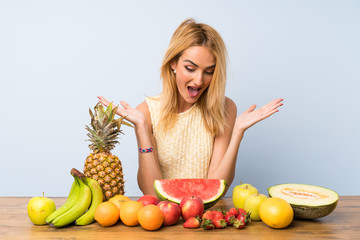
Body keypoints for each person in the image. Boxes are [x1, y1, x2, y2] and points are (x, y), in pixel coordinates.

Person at [98, 18, 283, 196]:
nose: (199, 80)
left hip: (204, 219)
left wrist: (237, 132)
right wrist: (142, 129)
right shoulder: (147, 111)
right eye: (190, 68)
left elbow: (217, 186)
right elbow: (150, 192)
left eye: (209, 71)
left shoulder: (224, 108)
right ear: (173, 63)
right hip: (163, 220)